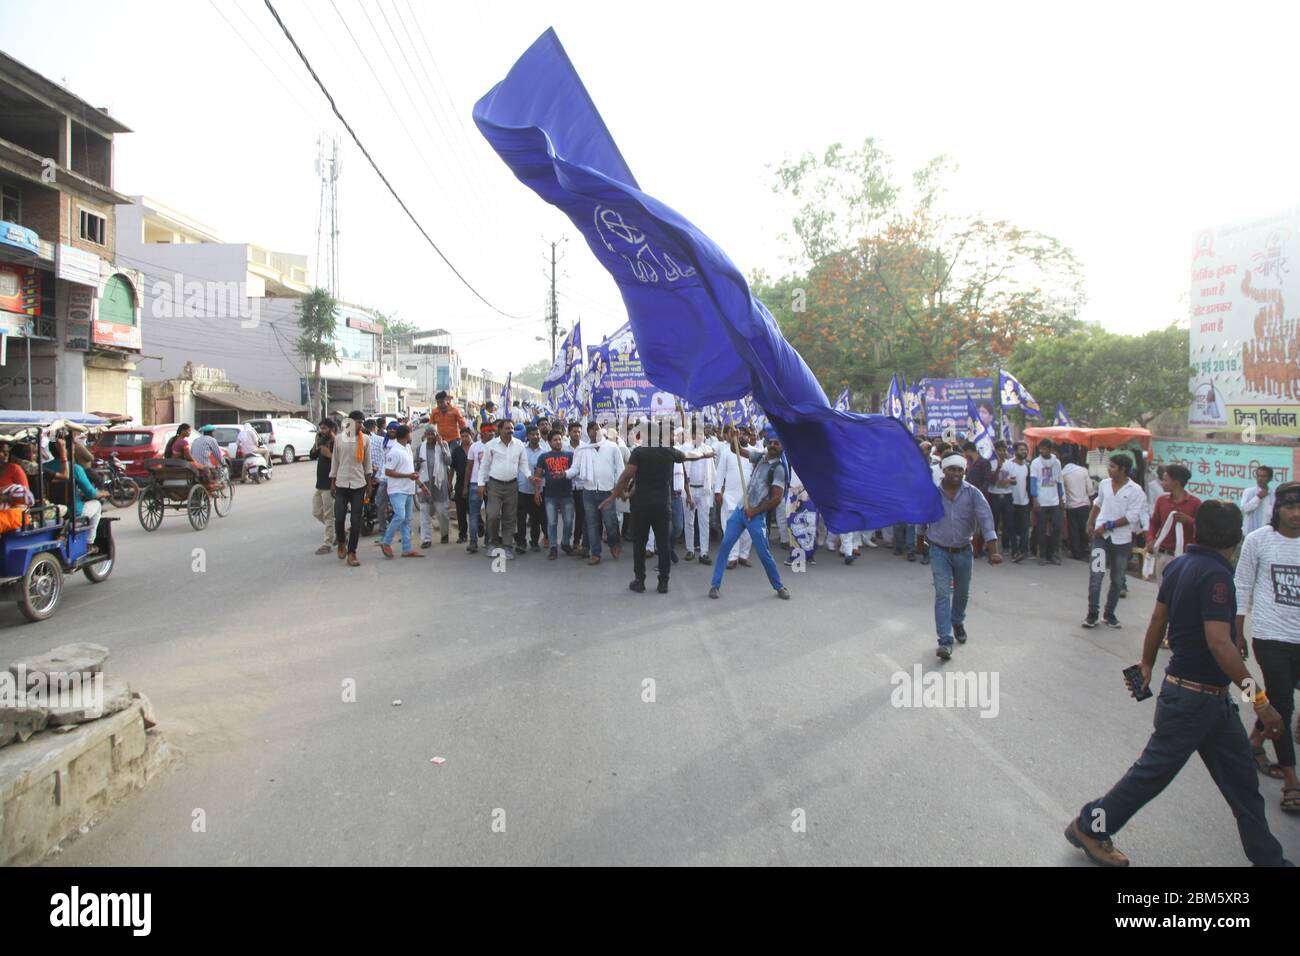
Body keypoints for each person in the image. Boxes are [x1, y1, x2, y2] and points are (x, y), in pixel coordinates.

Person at [1066, 501, 1291, 867]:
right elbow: (1221, 643)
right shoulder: (1218, 577)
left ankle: (1269, 859)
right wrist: (1260, 699)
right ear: (1237, 537)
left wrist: (1148, 663)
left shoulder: (1181, 565)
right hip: (1193, 701)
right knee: (1150, 776)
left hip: (1209, 702)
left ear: (1197, 530)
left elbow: (1158, 620)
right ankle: (1091, 826)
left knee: (1243, 786)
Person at [1234, 481, 1300, 813]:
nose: (1297, 514)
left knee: (1277, 699)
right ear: (1278, 509)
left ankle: (1254, 741)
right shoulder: (1259, 540)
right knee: (1283, 706)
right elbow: (1242, 583)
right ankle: (1291, 780)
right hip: (1271, 636)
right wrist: (1238, 629)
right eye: (1290, 507)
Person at [601, 418, 714, 594]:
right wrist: (704, 455)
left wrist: (614, 495)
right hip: (662, 506)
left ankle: (640, 581)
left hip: (641, 507)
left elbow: (626, 476)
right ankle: (663, 583)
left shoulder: (639, 453)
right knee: (663, 545)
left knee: (639, 544)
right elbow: (689, 456)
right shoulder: (668, 452)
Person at [917, 453, 1001, 660]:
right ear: (943, 470)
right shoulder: (932, 494)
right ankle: (945, 640)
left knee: (962, 594)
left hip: (964, 550)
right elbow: (921, 519)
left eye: (959, 470)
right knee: (943, 594)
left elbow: (986, 521)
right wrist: (919, 543)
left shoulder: (973, 494)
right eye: (951, 469)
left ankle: (957, 621)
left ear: (964, 471)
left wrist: (994, 551)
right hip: (939, 551)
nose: (955, 473)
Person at [708, 429, 790, 600]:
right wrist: (735, 437)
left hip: (756, 516)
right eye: (771, 442)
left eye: (777, 443)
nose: (773, 445)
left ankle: (779, 586)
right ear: (766, 443)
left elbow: (776, 498)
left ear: (782, 448)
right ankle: (715, 585)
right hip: (740, 510)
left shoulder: (779, 469)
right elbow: (736, 450)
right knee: (725, 546)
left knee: (764, 554)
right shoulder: (760, 457)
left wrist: (754, 511)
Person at [1082, 454, 1145, 629]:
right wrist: (1090, 522)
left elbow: (1132, 517)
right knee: (1096, 577)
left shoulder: (1135, 490)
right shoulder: (1104, 484)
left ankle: (1109, 614)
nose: (1109, 469)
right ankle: (1092, 614)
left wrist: (1107, 526)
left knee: (1117, 579)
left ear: (1123, 469)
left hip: (1121, 541)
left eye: (1113, 467)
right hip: (1100, 539)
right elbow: (1098, 503)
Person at [568, 420, 625, 564]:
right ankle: (596, 553)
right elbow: (575, 469)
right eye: (593, 429)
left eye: (598, 428)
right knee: (592, 524)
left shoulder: (612, 447)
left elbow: (620, 468)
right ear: (589, 432)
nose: (596, 431)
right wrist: (565, 474)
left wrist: (619, 488)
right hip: (589, 492)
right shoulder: (582, 450)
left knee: (611, 522)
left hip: (608, 491)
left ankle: (613, 544)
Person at [1143, 463, 1201, 583]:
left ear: (1176, 483)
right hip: (1163, 554)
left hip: (1185, 557)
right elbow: (1154, 523)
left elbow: (1202, 527)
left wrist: (1189, 520)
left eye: (1165, 480)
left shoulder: (1195, 503)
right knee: (1163, 593)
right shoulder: (1161, 501)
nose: (1162, 483)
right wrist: (1150, 539)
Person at [479, 419, 528, 558]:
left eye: (512, 428)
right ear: (499, 430)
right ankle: (493, 543)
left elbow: (523, 464)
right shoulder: (491, 445)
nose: (510, 430)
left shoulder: (519, 445)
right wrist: (481, 484)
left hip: (512, 485)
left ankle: (507, 546)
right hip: (494, 485)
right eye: (507, 428)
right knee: (493, 515)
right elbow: (484, 466)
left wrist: (529, 476)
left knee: (509, 517)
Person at [43, 438, 108, 543]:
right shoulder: (75, 469)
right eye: (72, 448)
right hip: (73, 512)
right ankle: (89, 542)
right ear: (65, 450)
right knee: (96, 504)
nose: (73, 450)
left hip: (51, 510)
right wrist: (103, 493)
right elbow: (91, 493)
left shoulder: (44, 467)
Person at [331, 412, 370, 567]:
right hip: (341, 483)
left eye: (361, 422)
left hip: (359, 484)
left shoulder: (365, 440)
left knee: (356, 521)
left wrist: (370, 486)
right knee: (339, 518)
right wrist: (332, 482)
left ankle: (352, 552)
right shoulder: (339, 439)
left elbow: (367, 464)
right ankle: (341, 541)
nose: (360, 425)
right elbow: (335, 461)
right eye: (357, 422)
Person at [380, 424, 425, 559]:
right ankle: (386, 542)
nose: (411, 436)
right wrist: (407, 476)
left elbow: (410, 471)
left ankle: (407, 548)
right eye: (410, 433)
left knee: (407, 520)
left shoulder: (408, 448)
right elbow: (388, 471)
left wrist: (421, 486)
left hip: (409, 489)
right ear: (406, 435)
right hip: (397, 489)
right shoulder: (394, 451)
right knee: (400, 516)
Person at [714, 429, 755, 568]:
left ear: (749, 437)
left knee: (748, 530)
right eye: (740, 434)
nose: (742, 436)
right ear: (734, 436)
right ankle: (733, 557)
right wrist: (718, 491)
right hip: (730, 497)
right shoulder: (727, 452)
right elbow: (720, 473)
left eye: (745, 434)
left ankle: (743, 555)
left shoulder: (755, 453)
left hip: (749, 498)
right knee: (731, 528)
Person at [534, 429, 574, 559]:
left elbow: (575, 471)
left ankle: (565, 543)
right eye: (555, 440)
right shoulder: (544, 457)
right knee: (551, 523)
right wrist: (536, 492)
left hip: (567, 494)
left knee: (568, 522)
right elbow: (538, 476)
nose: (558, 442)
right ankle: (553, 547)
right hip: (550, 495)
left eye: (559, 439)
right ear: (550, 443)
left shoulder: (569, 455)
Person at [415, 425, 452, 547]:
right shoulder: (420, 448)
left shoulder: (443, 445)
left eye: (433, 434)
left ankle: (444, 534)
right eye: (428, 434)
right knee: (424, 512)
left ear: (437, 435)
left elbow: (448, 462)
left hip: (439, 484)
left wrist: (441, 445)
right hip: (425, 483)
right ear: (425, 435)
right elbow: (415, 467)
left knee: (442, 512)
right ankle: (426, 539)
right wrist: (418, 464)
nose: (430, 436)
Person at [1029, 439, 1064, 565]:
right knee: (1041, 529)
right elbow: (1033, 481)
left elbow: (1059, 481)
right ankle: (1042, 555)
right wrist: (1035, 499)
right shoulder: (1035, 463)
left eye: (1044, 448)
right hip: (1041, 501)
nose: (1041, 451)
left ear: (1050, 449)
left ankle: (1053, 554)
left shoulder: (1057, 463)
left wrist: (1061, 498)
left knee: (1057, 528)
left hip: (1054, 501)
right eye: (1040, 448)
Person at [514, 424, 545, 555]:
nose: (535, 436)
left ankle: (534, 541)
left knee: (536, 518)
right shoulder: (521, 449)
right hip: (522, 488)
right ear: (527, 436)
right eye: (532, 434)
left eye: (537, 434)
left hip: (537, 490)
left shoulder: (544, 451)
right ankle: (521, 542)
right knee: (521, 517)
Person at [1061, 450, 1096, 560]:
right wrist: (1090, 501)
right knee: (1084, 528)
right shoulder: (1083, 471)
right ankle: (1084, 549)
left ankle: (1076, 552)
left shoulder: (1062, 474)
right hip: (1084, 505)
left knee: (1073, 529)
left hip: (1071, 506)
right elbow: (1090, 490)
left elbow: (1063, 492)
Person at [311, 419, 337, 555]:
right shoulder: (321, 441)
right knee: (316, 512)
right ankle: (337, 531)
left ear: (332, 429)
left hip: (329, 484)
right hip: (319, 484)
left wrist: (329, 455)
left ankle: (327, 543)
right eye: (320, 428)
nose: (322, 431)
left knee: (328, 515)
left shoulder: (336, 443)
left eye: (325, 428)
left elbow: (341, 461)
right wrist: (317, 444)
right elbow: (312, 455)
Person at [464, 428, 487, 553]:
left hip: (490, 484)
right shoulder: (474, 447)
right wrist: (465, 486)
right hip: (475, 484)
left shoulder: (495, 445)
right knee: (474, 514)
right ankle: (473, 542)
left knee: (491, 514)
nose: (492, 434)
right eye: (489, 432)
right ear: (482, 433)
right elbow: (469, 467)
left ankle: (489, 541)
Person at [1240, 465, 1276, 537]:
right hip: (1249, 534)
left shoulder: (1274, 495)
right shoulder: (1249, 492)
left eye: (1263, 476)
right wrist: (1258, 497)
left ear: (1270, 478)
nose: (1260, 478)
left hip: (1266, 535)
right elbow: (1244, 509)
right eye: (1258, 476)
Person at [451, 427, 471, 543]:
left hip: (474, 483)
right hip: (459, 483)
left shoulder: (476, 448)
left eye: (466, 436)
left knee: (474, 508)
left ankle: (479, 525)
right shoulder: (457, 451)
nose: (464, 439)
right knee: (460, 510)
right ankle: (462, 534)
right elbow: (452, 468)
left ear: (471, 435)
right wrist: (449, 482)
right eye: (462, 436)